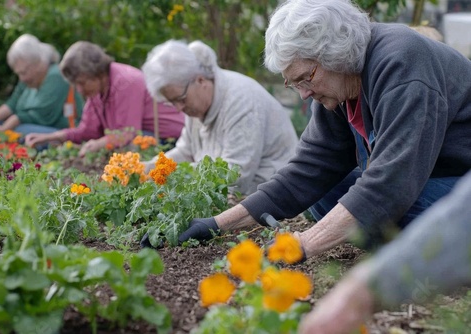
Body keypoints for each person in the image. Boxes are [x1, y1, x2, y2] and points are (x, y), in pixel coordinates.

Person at [175, 0, 471, 256]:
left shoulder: (402, 63)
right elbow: (309, 168)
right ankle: (409, 242)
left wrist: (302, 245)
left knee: (391, 202)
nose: (303, 94)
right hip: (424, 180)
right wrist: (216, 224)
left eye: (305, 78)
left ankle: (434, 254)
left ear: (336, 54)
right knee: (325, 192)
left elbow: (391, 183)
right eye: (295, 82)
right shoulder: (339, 84)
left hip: (459, 182)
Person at [299, 169, 471, 334]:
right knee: (328, 185)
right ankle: (398, 247)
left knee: (410, 200)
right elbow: (316, 160)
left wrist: (368, 287)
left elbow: (391, 181)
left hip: (440, 183)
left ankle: (412, 249)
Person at [141, 40, 298, 196]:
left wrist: (176, 173)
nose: (179, 108)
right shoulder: (195, 104)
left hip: (277, 196)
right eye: (172, 102)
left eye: (181, 99)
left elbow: (235, 178)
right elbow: (185, 151)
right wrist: (150, 168)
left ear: (200, 80)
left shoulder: (241, 101)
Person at [25, 41, 185, 157]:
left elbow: (128, 133)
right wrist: (52, 137)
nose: (79, 90)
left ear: (98, 72)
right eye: (75, 84)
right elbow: (87, 131)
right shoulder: (97, 90)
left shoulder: (126, 82)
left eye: (82, 82)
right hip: (143, 137)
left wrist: (99, 144)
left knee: (129, 149)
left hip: (170, 140)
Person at [0, 34, 84, 134]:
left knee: (19, 130)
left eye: (23, 72)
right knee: (1, 123)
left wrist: (5, 128)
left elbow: (40, 115)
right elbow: (12, 103)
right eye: (18, 74)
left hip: (62, 132)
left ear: (39, 63)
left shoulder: (56, 76)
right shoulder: (28, 80)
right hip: (34, 126)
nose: (22, 79)